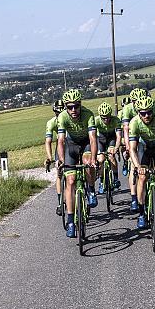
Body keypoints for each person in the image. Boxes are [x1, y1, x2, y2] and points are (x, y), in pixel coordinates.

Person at [56, 89, 98, 238]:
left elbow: (93, 139)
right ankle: (71, 221)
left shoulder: (88, 115)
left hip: (86, 143)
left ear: (80, 105)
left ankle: (91, 189)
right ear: (66, 107)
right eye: (69, 107)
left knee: (88, 162)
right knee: (71, 180)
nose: (73, 110)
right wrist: (61, 160)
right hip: (71, 145)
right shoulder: (62, 117)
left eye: (76, 106)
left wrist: (93, 158)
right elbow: (60, 141)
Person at [127, 96, 155, 229]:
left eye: (149, 112)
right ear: (138, 113)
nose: (147, 115)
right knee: (142, 177)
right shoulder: (134, 122)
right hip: (144, 149)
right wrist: (138, 166)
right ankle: (141, 213)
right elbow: (133, 149)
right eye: (143, 113)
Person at [120, 88, 155, 211]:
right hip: (133, 135)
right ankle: (134, 198)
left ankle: (154, 185)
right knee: (134, 166)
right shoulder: (127, 109)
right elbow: (126, 129)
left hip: (147, 136)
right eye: (134, 101)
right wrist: (127, 146)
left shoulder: (152, 105)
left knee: (153, 168)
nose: (138, 102)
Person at [93, 102, 123, 194]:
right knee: (101, 159)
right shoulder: (96, 120)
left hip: (111, 139)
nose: (106, 119)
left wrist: (117, 147)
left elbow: (118, 136)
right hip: (100, 139)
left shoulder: (116, 120)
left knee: (111, 157)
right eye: (103, 117)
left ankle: (116, 179)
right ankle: (102, 182)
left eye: (108, 117)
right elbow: (92, 137)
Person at [44, 99, 65, 215]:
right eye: (58, 114)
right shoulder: (51, 123)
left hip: (73, 144)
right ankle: (60, 202)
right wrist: (49, 157)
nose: (60, 116)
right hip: (60, 146)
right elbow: (48, 142)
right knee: (59, 173)